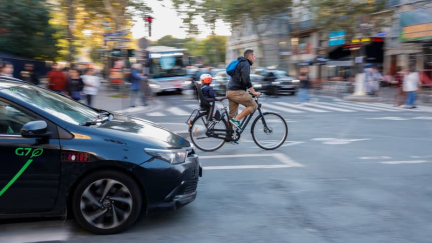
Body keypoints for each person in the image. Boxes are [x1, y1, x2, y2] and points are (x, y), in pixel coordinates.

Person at [226, 49, 261, 131]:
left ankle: (229, 136)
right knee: (253, 105)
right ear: (250, 56)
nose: (255, 58)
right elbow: (246, 79)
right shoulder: (246, 63)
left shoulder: (240, 63)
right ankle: (237, 120)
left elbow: (241, 79)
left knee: (232, 115)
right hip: (237, 91)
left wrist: (247, 90)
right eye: (254, 56)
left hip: (230, 91)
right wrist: (253, 92)